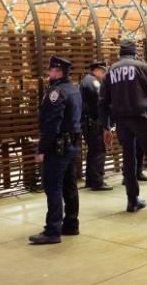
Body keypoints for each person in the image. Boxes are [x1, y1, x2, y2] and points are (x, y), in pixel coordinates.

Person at [99, 39, 147, 213]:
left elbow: (102, 102)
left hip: (121, 122)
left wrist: (106, 127)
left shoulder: (110, 71)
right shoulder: (140, 66)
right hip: (141, 119)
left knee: (129, 159)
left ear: (120, 54)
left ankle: (132, 201)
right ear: (134, 53)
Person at [29, 56, 82, 245]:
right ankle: (71, 223)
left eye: (51, 71)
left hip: (57, 147)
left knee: (53, 187)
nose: (49, 74)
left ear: (58, 72)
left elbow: (51, 124)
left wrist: (42, 148)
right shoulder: (74, 90)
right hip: (72, 145)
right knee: (69, 186)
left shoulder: (56, 92)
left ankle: (52, 230)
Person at [80, 61, 113, 191]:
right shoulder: (93, 82)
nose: (104, 74)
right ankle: (97, 182)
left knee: (93, 151)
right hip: (93, 123)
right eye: (103, 71)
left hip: (88, 123)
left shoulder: (87, 80)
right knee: (99, 151)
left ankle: (90, 180)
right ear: (97, 70)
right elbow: (101, 100)